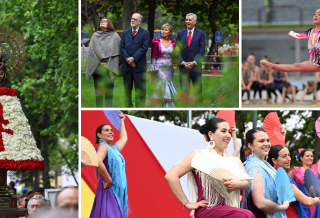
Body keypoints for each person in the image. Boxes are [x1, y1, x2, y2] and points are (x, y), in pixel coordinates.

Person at [165, 117, 255, 218]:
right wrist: (187, 203)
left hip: (229, 209)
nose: (228, 135)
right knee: (246, 215)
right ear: (211, 134)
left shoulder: (234, 161)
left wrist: (238, 184)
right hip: (208, 210)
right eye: (223, 131)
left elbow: (246, 182)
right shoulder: (197, 155)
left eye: (229, 132)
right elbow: (171, 176)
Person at [242, 128, 289, 218]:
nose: (266, 143)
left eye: (267, 140)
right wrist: (283, 207)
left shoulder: (266, 164)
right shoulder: (253, 167)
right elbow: (260, 203)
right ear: (250, 145)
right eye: (261, 141)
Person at [90, 111, 128, 218]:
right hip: (108, 190)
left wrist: (122, 121)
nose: (111, 132)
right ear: (99, 135)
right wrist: (109, 180)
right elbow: (97, 161)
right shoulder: (103, 146)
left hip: (117, 192)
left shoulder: (114, 149)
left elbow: (124, 138)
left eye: (111, 130)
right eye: (107, 130)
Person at [267, 145, 320, 218]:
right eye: (284, 156)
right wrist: (316, 200)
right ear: (274, 160)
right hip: (290, 212)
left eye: (289, 155)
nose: (288, 158)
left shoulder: (271, 173)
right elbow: (309, 202)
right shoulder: (288, 174)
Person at [85, 17, 121, 107]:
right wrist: (99, 62)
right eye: (101, 21)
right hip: (97, 68)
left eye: (104, 21)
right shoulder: (95, 36)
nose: (102, 22)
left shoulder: (115, 36)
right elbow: (91, 53)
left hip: (110, 67)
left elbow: (119, 52)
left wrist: (110, 63)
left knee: (109, 93)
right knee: (99, 93)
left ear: (109, 24)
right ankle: (99, 111)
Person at [120, 13, 150, 107]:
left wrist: (133, 59)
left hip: (139, 66)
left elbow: (144, 48)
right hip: (126, 66)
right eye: (132, 18)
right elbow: (122, 47)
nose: (132, 20)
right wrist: (128, 60)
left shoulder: (145, 33)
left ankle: (140, 109)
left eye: (135, 19)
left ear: (140, 22)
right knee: (127, 91)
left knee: (140, 91)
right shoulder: (125, 33)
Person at [176, 13, 205, 104]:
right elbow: (177, 50)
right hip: (183, 67)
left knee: (198, 92)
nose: (187, 21)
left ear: (195, 21)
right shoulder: (180, 34)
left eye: (190, 20)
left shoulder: (201, 34)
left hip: (195, 67)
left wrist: (194, 62)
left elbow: (202, 51)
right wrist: (183, 62)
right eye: (186, 19)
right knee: (184, 93)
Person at [147, 23, 177, 107]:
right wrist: (153, 70)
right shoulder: (156, 42)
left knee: (168, 83)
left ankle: (168, 106)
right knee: (160, 84)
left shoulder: (173, 43)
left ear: (170, 32)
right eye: (162, 29)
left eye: (165, 30)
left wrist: (177, 51)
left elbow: (175, 57)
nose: (163, 31)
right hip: (159, 67)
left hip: (169, 68)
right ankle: (158, 105)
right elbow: (153, 57)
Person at [288, 148, 320, 218]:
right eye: (307, 156)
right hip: (302, 203)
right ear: (301, 158)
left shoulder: (316, 168)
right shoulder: (295, 170)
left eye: (311, 156)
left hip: (316, 204)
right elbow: (287, 182)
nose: (310, 158)